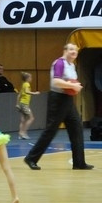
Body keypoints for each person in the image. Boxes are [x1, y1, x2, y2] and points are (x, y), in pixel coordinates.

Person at [23, 42, 93, 171]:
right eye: (71, 49)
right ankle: (31, 158)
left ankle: (79, 162)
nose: (73, 52)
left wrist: (74, 87)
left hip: (67, 100)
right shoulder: (59, 63)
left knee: (77, 128)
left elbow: (70, 83)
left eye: (75, 50)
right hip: (57, 99)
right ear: (65, 51)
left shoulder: (72, 65)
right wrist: (73, 86)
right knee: (51, 130)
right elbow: (56, 81)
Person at [16, 71, 39, 140]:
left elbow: (19, 95)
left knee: (23, 119)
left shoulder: (23, 84)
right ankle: (24, 132)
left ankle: (20, 133)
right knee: (31, 118)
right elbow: (26, 91)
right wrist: (35, 93)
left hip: (21, 103)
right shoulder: (27, 84)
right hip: (25, 104)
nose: (31, 79)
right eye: (30, 77)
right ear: (27, 78)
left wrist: (17, 104)